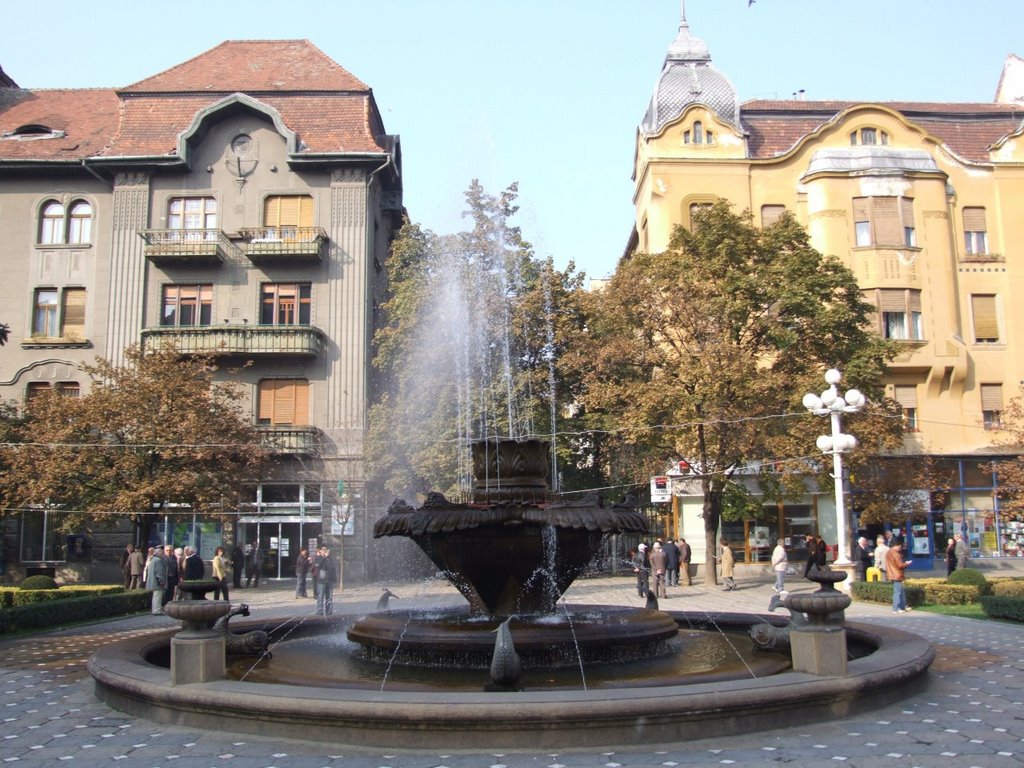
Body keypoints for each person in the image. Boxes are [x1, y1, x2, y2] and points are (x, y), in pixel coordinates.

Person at [885, 538, 912, 613]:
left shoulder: (888, 552)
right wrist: (907, 563)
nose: (900, 548)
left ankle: (903, 607)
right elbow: (900, 565)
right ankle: (896, 608)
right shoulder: (896, 554)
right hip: (897, 575)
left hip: (892, 574)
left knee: (900, 591)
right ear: (896, 546)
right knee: (898, 592)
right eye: (900, 547)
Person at [314, 546, 337, 616]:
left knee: (329, 596)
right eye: (323, 549)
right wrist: (323, 557)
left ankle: (329, 611)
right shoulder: (318, 558)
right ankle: (319, 611)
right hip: (321, 579)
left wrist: (335, 578)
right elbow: (317, 565)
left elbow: (332, 567)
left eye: (326, 550)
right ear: (320, 551)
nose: (325, 551)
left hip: (330, 579)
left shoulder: (330, 558)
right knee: (320, 596)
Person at [144, 546, 167, 615]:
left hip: (152, 581)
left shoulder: (153, 560)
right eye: (162, 553)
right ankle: (157, 610)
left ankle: (154, 610)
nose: (163, 554)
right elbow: (159, 573)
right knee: (157, 596)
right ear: (158, 553)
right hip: (157, 583)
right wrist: (162, 581)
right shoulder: (158, 560)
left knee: (155, 597)